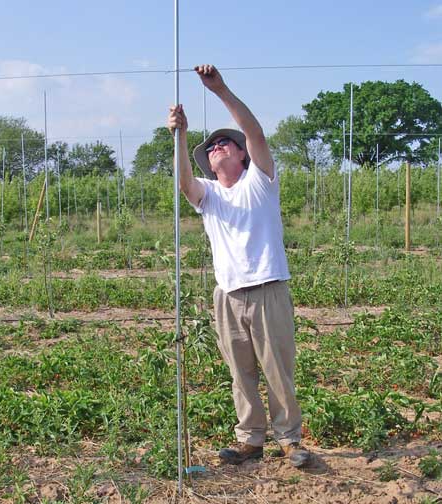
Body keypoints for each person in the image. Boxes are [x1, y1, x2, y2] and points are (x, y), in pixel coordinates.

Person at [167, 64, 310, 468]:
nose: (217, 148)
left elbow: (257, 132)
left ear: (243, 153)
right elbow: (184, 183)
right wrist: (179, 136)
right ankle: (250, 439)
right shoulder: (208, 194)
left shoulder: (260, 181)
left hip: (267, 288)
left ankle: (290, 439)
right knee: (240, 373)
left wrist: (221, 90)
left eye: (226, 143)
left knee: (277, 370)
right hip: (227, 295)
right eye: (210, 148)